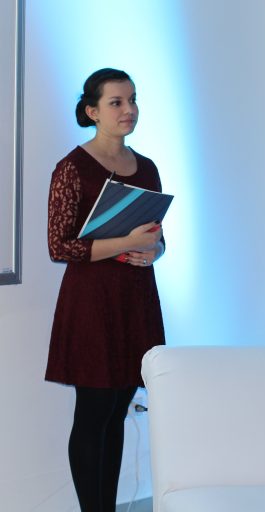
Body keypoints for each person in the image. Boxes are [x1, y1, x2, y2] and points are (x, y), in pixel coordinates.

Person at [46, 68, 166, 512]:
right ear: (92, 111)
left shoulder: (147, 167)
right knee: (95, 411)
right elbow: (59, 246)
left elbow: (157, 236)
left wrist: (153, 251)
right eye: (116, 102)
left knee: (118, 409)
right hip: (92, 303)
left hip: (135, 299)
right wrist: (126, 242)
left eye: (132, 99)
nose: (128, 109)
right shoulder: (72, 168)